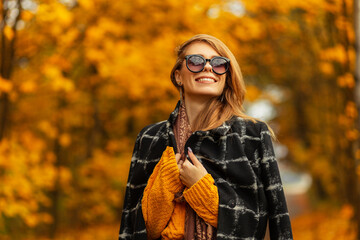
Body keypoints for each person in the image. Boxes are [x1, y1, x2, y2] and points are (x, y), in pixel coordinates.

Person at [118, 34, 293, 240]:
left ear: (226, 75)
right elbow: (131, 225)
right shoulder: (149, 138)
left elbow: (270, 221)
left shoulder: (252, 135)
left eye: (219, 64)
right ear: (178, 76)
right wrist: (164, 186)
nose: (208, 67)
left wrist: (201, 189)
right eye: (196, 61)